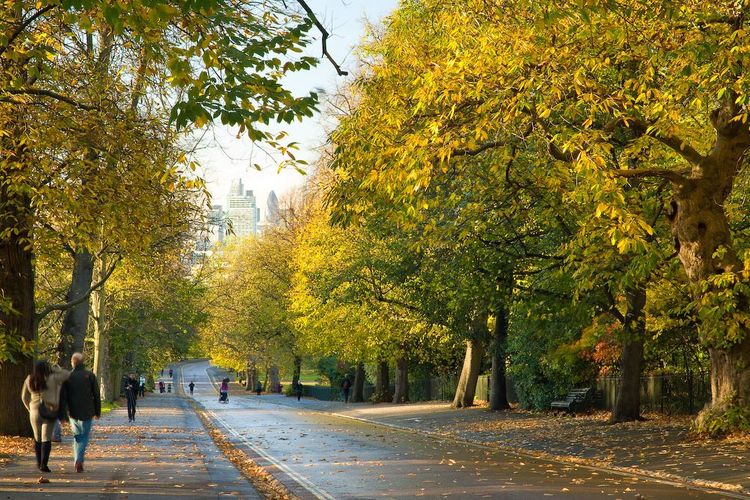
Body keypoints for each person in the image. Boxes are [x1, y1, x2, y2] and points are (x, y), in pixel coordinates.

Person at [21, 360, 71, 472]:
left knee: (37, 438)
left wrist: (29, 408)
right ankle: (44, 464)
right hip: (49, 410)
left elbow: (24, 397)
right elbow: (67, 375)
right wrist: (57, 369)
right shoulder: (52, 378)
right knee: (46, 438)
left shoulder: (29, 379)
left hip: (34, 411)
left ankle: (39, 463)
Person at [59, 353, 100, 473]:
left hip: (72, 411)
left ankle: (77, 459)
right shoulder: (90, 375)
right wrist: (97, 411)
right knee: (84, 436)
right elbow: (96, 394)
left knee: (77, 436)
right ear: (83, 362)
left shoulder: (68, 376)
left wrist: (62, 414)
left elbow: (63, 397)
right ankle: (78, 460)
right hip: (87, 410)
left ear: (73, 362)